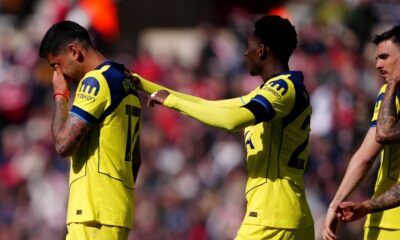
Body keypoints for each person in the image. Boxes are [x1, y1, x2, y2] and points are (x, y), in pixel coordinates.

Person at [134, 15, 315, 240]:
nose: (244, 53)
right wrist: (140, 83)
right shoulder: (272, 91)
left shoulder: (283, 88)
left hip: (272, 218)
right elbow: (208, 106)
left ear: (261, 50)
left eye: (248, 47)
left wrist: (171, 101)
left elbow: (231, 120)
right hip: (291, 216)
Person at [39, 21, 141, 240]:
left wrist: (60, 96)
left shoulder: (96, 80)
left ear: (74, 51)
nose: (59, 75)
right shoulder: (126, 81)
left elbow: (63, 144)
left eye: (57, 65)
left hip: (94, 213)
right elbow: (135, 161)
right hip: (112, 211)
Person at [323, 25, 400, 240]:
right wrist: (336, 203)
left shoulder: (391, 92)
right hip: (382, 220)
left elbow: (382, 136)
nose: (377, 65)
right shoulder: (389, 93)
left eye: (384, 57)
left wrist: (393, 83)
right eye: (376, 58)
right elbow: (364, 155)